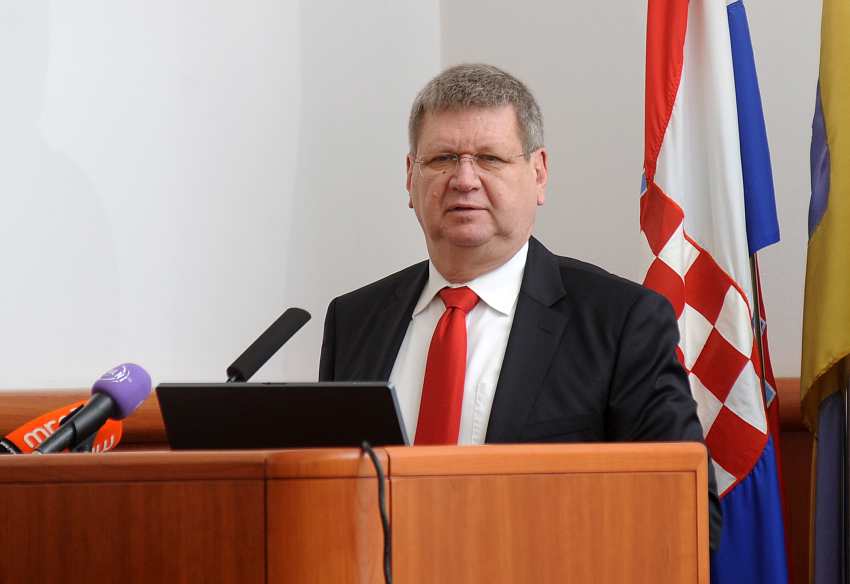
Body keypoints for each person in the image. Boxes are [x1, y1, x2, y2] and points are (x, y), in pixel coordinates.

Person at [318, 63, 721, 548]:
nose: (464, 179)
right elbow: (329, 497)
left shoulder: (621, 322)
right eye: (443, 158)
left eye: (489, 158)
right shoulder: (354, 320)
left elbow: (685, 513)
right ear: (410, 177)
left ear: (538, 173)